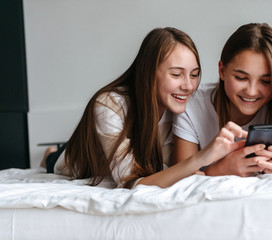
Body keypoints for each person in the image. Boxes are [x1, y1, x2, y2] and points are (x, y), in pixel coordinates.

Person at [41, 27, 247, 189]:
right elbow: (130, 182)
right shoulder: (108, 104)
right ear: (149, 73)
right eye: (176, 74)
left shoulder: (179, 109)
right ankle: (50, 154)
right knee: (54, 160)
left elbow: (173, 173)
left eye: (194, 75)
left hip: (123, 151)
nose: (188, 86)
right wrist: (202, 158)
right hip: (74, 160)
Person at [173, 23, 272, 177]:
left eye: (266, 81)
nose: (251, 91)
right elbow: (180, 181)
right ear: (222, 71)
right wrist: (219, 170)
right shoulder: (191, 106)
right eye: (241, 78)